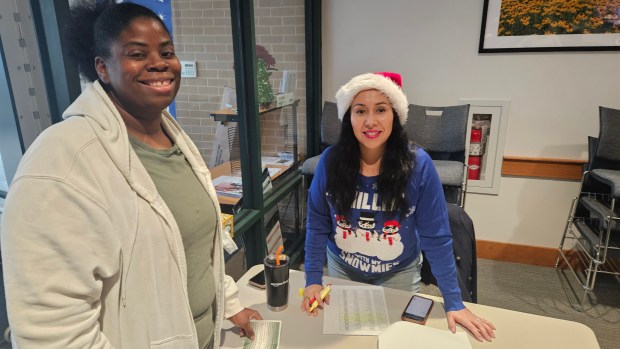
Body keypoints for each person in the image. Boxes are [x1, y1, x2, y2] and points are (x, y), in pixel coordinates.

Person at [0, 1, 261, 348]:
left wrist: (231, 306)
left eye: (166, 51)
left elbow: (199, 252)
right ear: (103, 68)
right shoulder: (60, 162)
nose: (159, 63)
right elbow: (51, 332)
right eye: (138, 53)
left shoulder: (173, 139)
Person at [301, 72, 496, 342]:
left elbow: (436, 237)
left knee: (396, 339)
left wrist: (454, 302)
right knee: (348, 340)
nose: (370, 121)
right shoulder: (330, 161)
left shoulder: (419, 164)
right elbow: (317, 223)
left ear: (395, 115)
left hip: (398, 271)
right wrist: (312, 278)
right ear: (349, 117)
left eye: (380, 109)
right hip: (342, 267)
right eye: (360, 111)